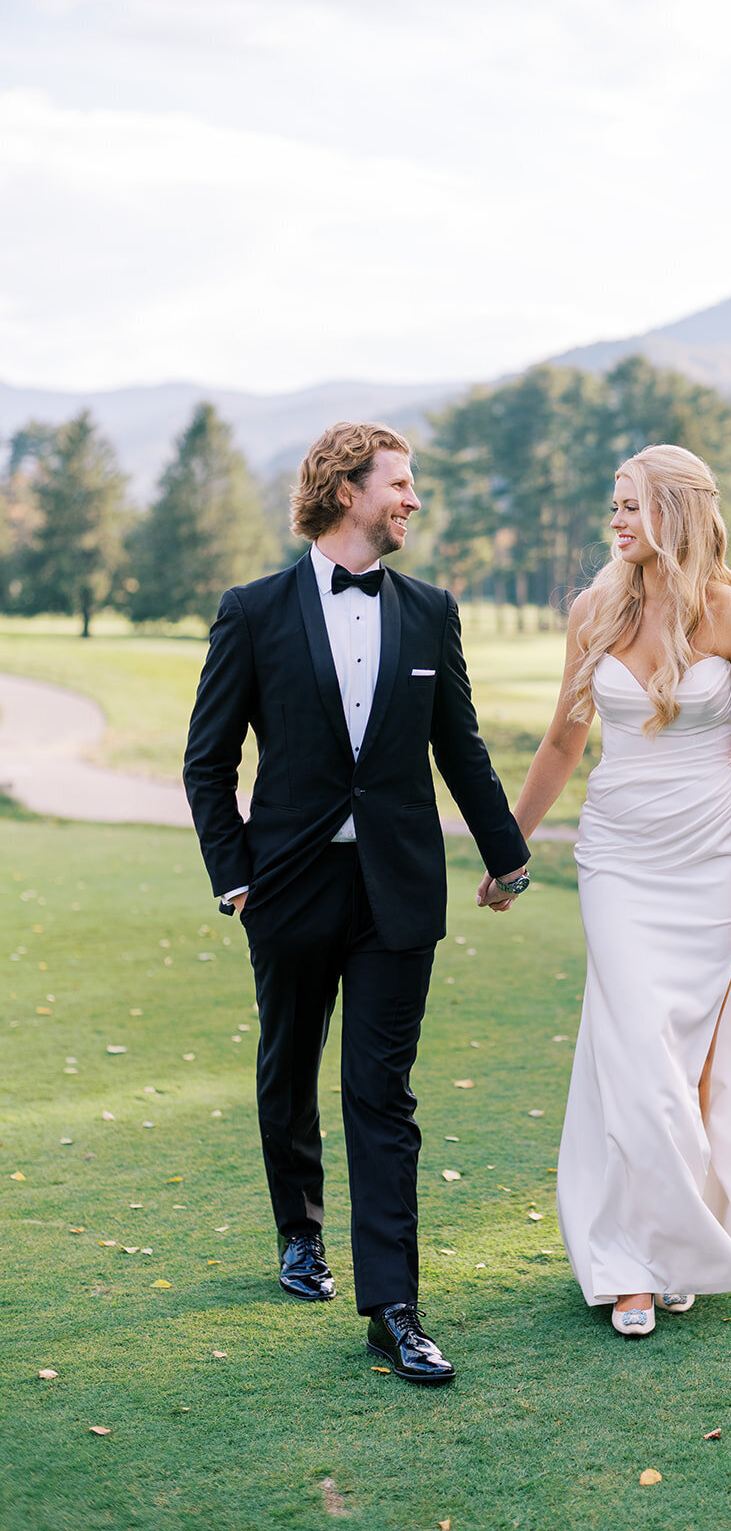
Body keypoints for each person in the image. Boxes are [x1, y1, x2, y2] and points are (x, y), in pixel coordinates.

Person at [183, 421, 531, 1385]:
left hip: (397, 890)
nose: (414, 500)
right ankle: (300, 1234)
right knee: (289, 1065)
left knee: (382, 1092)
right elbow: (208, 762)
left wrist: (507, 855)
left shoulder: (430, 611)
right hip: (287, 886)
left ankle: (394, 1306)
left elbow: (458, 747)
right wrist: (235, 875)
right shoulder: (251, 611)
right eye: (402, 484)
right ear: (348, 491)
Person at [478, 443, 731, 1335]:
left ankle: (667, 1245)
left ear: (677, 513)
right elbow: (561, 745)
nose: (614, 521)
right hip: (616, 855)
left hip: (714, 855)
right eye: (613, 505)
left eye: (630, 505)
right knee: (635, 1051)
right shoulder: (593, 612)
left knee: (683, 1061)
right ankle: (635, 1267)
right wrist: (509, 849)